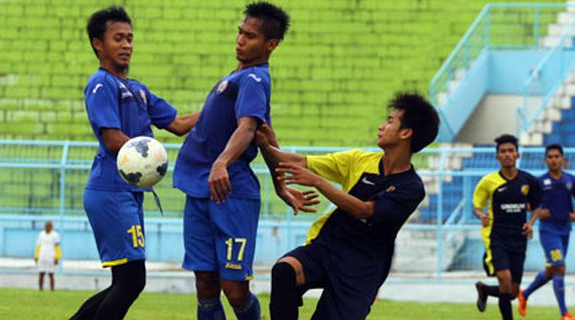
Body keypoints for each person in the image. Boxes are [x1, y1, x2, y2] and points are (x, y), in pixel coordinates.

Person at [258, 92, 440, 319]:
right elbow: (295, 162)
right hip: (327, 247)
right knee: (284, 270)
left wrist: (317, 182)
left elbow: (364, 211)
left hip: (361, 268)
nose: (382, 126)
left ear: (406, 133)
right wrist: (264, 142)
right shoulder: (359, 160)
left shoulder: (411, 187)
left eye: (390, 121)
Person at [172, 2, 299, 319]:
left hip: (230, 191)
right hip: (201, 190)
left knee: (233, 285)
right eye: (240, 32)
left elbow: (248, 128)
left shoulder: (255, 79)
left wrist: (221, 162)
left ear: (271, 44)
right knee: (204, 282)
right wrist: (280, 182)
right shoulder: (236, 76)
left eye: (250, 36)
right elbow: (266, 134)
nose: (240, 40)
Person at [71, 6, 199, 320]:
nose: (127, 45)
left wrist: (221, 104)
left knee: (124, 281)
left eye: (130, 38)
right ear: (98, 44)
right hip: (109, 191)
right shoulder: (101, 84)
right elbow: (113, 139)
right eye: (118, 38)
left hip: (128, 193)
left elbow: (180, 124)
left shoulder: (138, 89)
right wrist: (147, 153)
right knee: (132, 280)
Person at [473, 134, 542, 320]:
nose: (507, 154)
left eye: (511, 151)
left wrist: (531, 223)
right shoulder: (488, 182)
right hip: (497, 237)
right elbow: (476, 207)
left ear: (517, 155)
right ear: (497, 156)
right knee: (504, 280)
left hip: (519, 238)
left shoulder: (529, 181)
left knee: (511, 292)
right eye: (503, 152)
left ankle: (484, 290)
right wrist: (481, 215)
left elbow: (536, 206)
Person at [518, 144, 575, 320]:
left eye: (556, 156)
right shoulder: (540, 182)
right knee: (560, 267)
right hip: (548, 231)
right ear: (545, 160)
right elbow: (528, 204)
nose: (554, 160)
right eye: (550, 157)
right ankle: (564, 314)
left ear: (562, 159)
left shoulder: (570, 180)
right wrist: (539, 212)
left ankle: (524, 294)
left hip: (565, 230)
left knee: (553, 270)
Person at [34, 221, 61, 291]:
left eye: (49, 226)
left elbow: (57, 247)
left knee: (51, 274)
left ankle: (52, 289)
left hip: (51, 257)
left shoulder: (55, 235)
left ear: (51, 227)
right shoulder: (41, 234)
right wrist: (36, 256)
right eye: (46, 226)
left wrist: (57, 257)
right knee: (41, 273)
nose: (47, 228)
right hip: (42, 256)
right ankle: (40, 289)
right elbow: (38, 246)